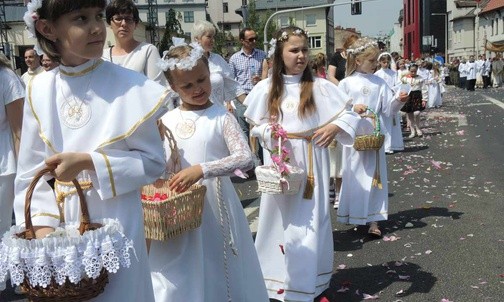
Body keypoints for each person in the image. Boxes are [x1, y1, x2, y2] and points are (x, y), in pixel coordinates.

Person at [14, 1, 171, 300]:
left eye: (98, 16)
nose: (97, 27)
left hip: (117, 221)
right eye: (81, 19)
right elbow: (30, 173)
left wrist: (89, 161)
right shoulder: (39, 89)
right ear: (48, 28)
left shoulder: (131, 87)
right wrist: (46, 233)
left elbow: (153, 163)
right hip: (61, 229)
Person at [244, 26, 360, 302]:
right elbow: (254, 125)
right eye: (294, 50)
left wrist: (334, 126)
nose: (301, 55)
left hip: (311, 162)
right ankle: (275, 281)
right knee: (277, 221)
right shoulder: (267, 88)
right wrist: (269, 133)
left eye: (304, 50)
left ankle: (310, 284)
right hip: (281, 164)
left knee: (312, 221)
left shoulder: (319, 86)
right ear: (279, 54)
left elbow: (351, 116)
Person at [150, 42, 269, 302]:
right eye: (188, 86)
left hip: (216, 203)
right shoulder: (167, 121)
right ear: (173, 88)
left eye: (202, 80)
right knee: (182, 263)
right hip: (180, 204)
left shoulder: (221, 116)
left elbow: (245, 158)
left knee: (216, 258)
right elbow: (162, 166)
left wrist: (202, 169)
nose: (198, 89)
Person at [337, 37, 408, 238]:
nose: (375, 64)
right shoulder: (346, 83)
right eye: (371, 61)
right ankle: (356, 215)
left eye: (377, 60)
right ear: (357, 60)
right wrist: (352, 108)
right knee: (355, 178)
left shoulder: (379, 82)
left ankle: (374, 219)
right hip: (354, 139)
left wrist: (399, 100)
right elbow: (337, 109)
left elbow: (388, 109)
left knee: (375, 178)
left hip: (374, 137)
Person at [102, 0, 167, 85]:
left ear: (135, 24)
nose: (123, 24)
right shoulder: (103, 56)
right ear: (109, 23)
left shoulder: (147, 51)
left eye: (128, 19)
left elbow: (156, 88)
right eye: (118, 19)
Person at [192, 20, 245, 112]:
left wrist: (252, 105)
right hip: (194, 116)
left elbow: (234, 87)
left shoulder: (218, 59)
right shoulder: (187, 61)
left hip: (217, 114)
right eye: (209, 37)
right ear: (197, 38)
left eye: (213, 37)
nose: (213, 40)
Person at [0, 52, 24, 255]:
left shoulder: (6, 78)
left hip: (3, 167)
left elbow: (19, 131)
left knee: (2, 227)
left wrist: (26, 173)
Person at [228, 27, 267, 139]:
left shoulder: (262, 55)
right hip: (242, 97)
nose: (254, 41)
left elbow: (266, 76)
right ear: (242, 40)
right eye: (250, 39)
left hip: (258, 97)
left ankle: (260, 156)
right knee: (244, 129)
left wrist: (260, 79)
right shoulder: (234, 58)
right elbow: (230, 81)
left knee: (259, 127)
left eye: (255, 38)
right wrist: (228, 102)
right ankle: (248, 155)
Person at [374, 52, 404, 154]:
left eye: (387, 62)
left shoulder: (393, 74)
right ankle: (384, 146)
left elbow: (398, 85)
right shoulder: (377, 74)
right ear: (380, 62)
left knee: (393, 123)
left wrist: (394, 91)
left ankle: (393, 144)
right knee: (383, 123)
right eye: (383, 62)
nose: (386, 64)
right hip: (382, 101)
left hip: (392, 99)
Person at [401, 64, 429, 138]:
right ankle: (412, 130)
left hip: (417, 96)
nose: (413, 73)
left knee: (417, 113)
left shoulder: (420, 78)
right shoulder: (405, 79)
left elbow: (424, 89)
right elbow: (402, 88)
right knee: (409, 114)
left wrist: (424, 99)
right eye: (411, 71)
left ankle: (418, 128)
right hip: (408, 96)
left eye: (415, 71)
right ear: (409, 70)